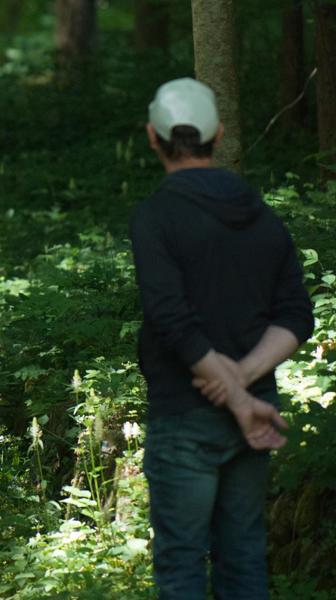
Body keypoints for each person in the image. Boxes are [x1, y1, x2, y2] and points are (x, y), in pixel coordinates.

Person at [129, 78, 314, 599]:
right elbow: (297, 314)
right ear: (220, 133)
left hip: (186, 410)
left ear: (152, 137)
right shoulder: (263, 217)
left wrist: (231, 389)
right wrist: (246, 388)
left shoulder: (155, 217)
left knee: (183, 563)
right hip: (257, 413)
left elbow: (172, 319)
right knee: (244, 556)